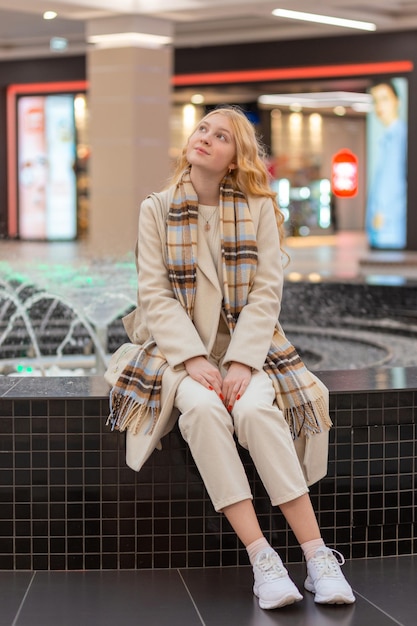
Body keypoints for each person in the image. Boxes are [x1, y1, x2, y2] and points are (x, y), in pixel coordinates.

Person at [107, 105, 355, 610]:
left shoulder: (257, 208)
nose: (205, 138)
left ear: (234, 156)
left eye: (220, 136)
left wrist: (241, 361)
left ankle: (316, 557)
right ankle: (263, 559)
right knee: (200, 409)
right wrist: (195, 359)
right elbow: (155, 296)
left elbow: (267, 292)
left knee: (255, 410)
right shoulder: (156, 208)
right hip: (178, 352)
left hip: (249, 349)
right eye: (202, 129)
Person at [366, 80, 407, 249]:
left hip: (391, 230)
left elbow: (395, 184)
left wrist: (384, 214)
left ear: (397, 101)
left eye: (384, 99)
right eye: (375, 101)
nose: (379, 106)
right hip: (380, 229)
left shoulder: (402, 137)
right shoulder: (385, 139)